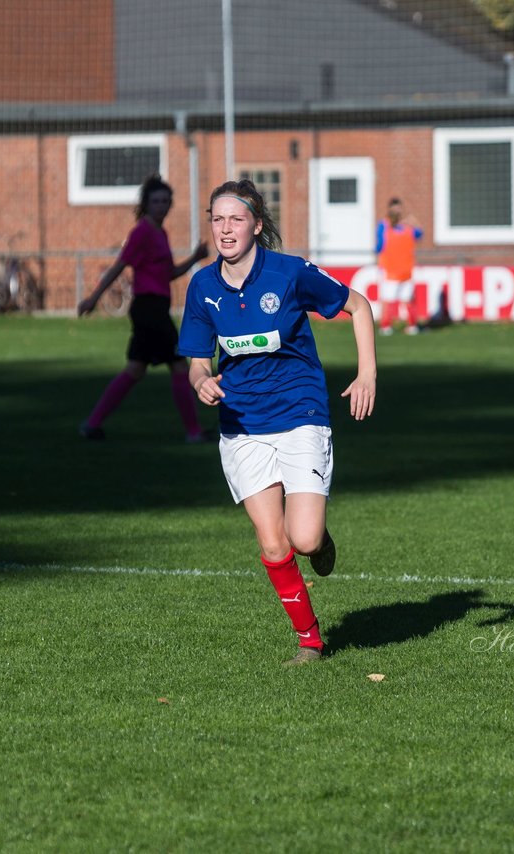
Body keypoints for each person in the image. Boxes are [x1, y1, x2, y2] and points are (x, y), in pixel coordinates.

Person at [179, 179, 377, 666]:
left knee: (304, 538)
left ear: (256, 225)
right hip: (242, 421)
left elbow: (359, 306)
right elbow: (197, 360)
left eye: (236, 219)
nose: (225, 229)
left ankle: (321, 539)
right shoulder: (203, 286)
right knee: (273, 543)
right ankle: (310, 642)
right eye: (217, 220)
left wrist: (367, 372)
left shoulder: (289, 274)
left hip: (299, 412)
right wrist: (201, 380)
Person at [77, 174, 212, 442]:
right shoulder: (142, 232)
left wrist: (195, 258)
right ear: (146, 204)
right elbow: (119, 266)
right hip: (149, 308)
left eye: (165, 201)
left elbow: (169, 273)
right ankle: (194, 432)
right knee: (179, 366)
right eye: (156, 201)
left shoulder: (161, 233)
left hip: (155, 307)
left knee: (135, 370)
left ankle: (91, 424)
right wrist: (93, 298)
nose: (161, 205)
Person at [375, 197, 423, 336]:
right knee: (389, 299)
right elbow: (379, 247)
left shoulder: (406, 227)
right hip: (390, 269)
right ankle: (386, 325)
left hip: (405, 270)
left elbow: (419, 233)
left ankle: (411, 325)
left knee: (407, 299)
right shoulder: (384, 226)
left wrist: (413, 221)